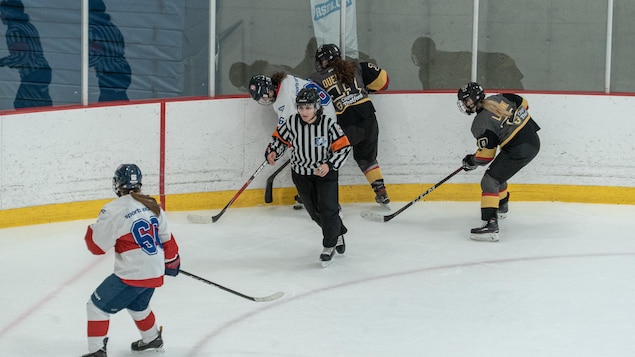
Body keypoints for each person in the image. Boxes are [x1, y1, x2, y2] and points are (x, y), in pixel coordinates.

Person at [81, 164, 180, 356]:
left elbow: (97, 247)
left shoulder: (113, 209)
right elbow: (167, 239)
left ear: (117, 184)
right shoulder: (152, 204)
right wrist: (172, 261)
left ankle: (96, 352)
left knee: (96, 307)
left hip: (133, 273)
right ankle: (152, 338)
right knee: (137, 305)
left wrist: (93, 229)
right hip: (155, 269)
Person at [264, 88, 351, 266]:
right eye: (301, 108)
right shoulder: (292, 123)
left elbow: (344, 147)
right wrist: (273, 151)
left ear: (317, 107)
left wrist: (329, 165)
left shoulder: (328, 124)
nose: (304, 112)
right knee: (315, 213)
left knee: (328, 210)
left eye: (308, 108)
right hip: (301, 174)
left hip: (325, 174)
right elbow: (279, 140)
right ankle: (337, 231)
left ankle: (329, 245)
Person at [309, 43, 391, 207]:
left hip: (345, 123)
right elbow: (383, 81)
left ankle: (327, 198)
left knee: (328, 159)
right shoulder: (357, 66)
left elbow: (311, 105)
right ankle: (381, 191)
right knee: (367, 159)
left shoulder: (316, 79)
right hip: (369, 118)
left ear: (324, 61)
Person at [457, 82, 540, 242]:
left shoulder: (480, 123)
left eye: (465, 101)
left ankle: (490, 224)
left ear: (472, 100)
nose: (463, 104)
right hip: (532, 139)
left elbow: (486, 156)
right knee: (497, 172)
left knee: (489, 180)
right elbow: (524, 103)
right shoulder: (499, 98)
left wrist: (471, 161)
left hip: (519, 148)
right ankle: (501, 205)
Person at [249, 71, 337, 210]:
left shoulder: (285, 99)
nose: (266, 100)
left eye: (265, 97)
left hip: (323, 123)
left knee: (304, 155)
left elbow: (287, 130)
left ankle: (330, 204)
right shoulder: (284, 83)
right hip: (320, 115)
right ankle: (308, 194)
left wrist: (274, 150)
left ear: (269, 88)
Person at [0, 0, 52, 109]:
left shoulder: (14, 30)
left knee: (23, 105)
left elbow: (22, 56)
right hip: (43, 70)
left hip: (33, 74)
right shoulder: (28, 26)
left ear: (10, 13)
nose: (1, 16)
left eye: (2, 12)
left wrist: (2, 62)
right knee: (40, 103)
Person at [88, 0, 131, 102]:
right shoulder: (112, 26)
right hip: (123, 68)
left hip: (110, 73)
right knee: (119, 99)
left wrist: (82, 64)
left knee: (108, 103)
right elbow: (121, 46)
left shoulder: (93, 30)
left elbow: (95, 55)